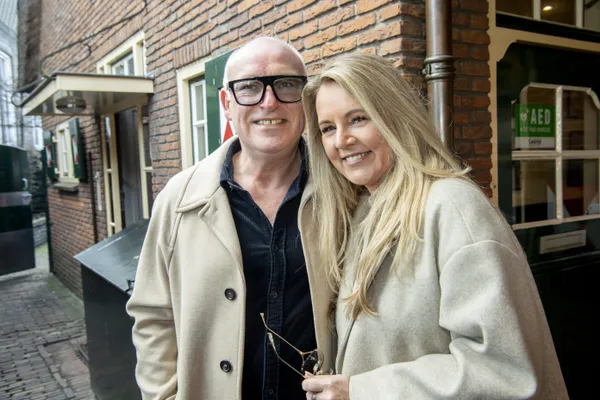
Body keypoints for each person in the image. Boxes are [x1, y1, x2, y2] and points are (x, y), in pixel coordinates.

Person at [300, 53, 568, 400]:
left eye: (358, 119)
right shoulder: (362, 212)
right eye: (328, 128)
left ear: (395, 115)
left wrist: (359, 391)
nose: (341, 140)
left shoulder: (452, 206)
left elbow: (503, 371)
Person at [126, 36, 334, 400]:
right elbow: (153, 316)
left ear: (305, 99)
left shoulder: (343, 189)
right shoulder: (179, 199)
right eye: (249, 87)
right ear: (227, 104)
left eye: (286, 84)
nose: (269, 101)